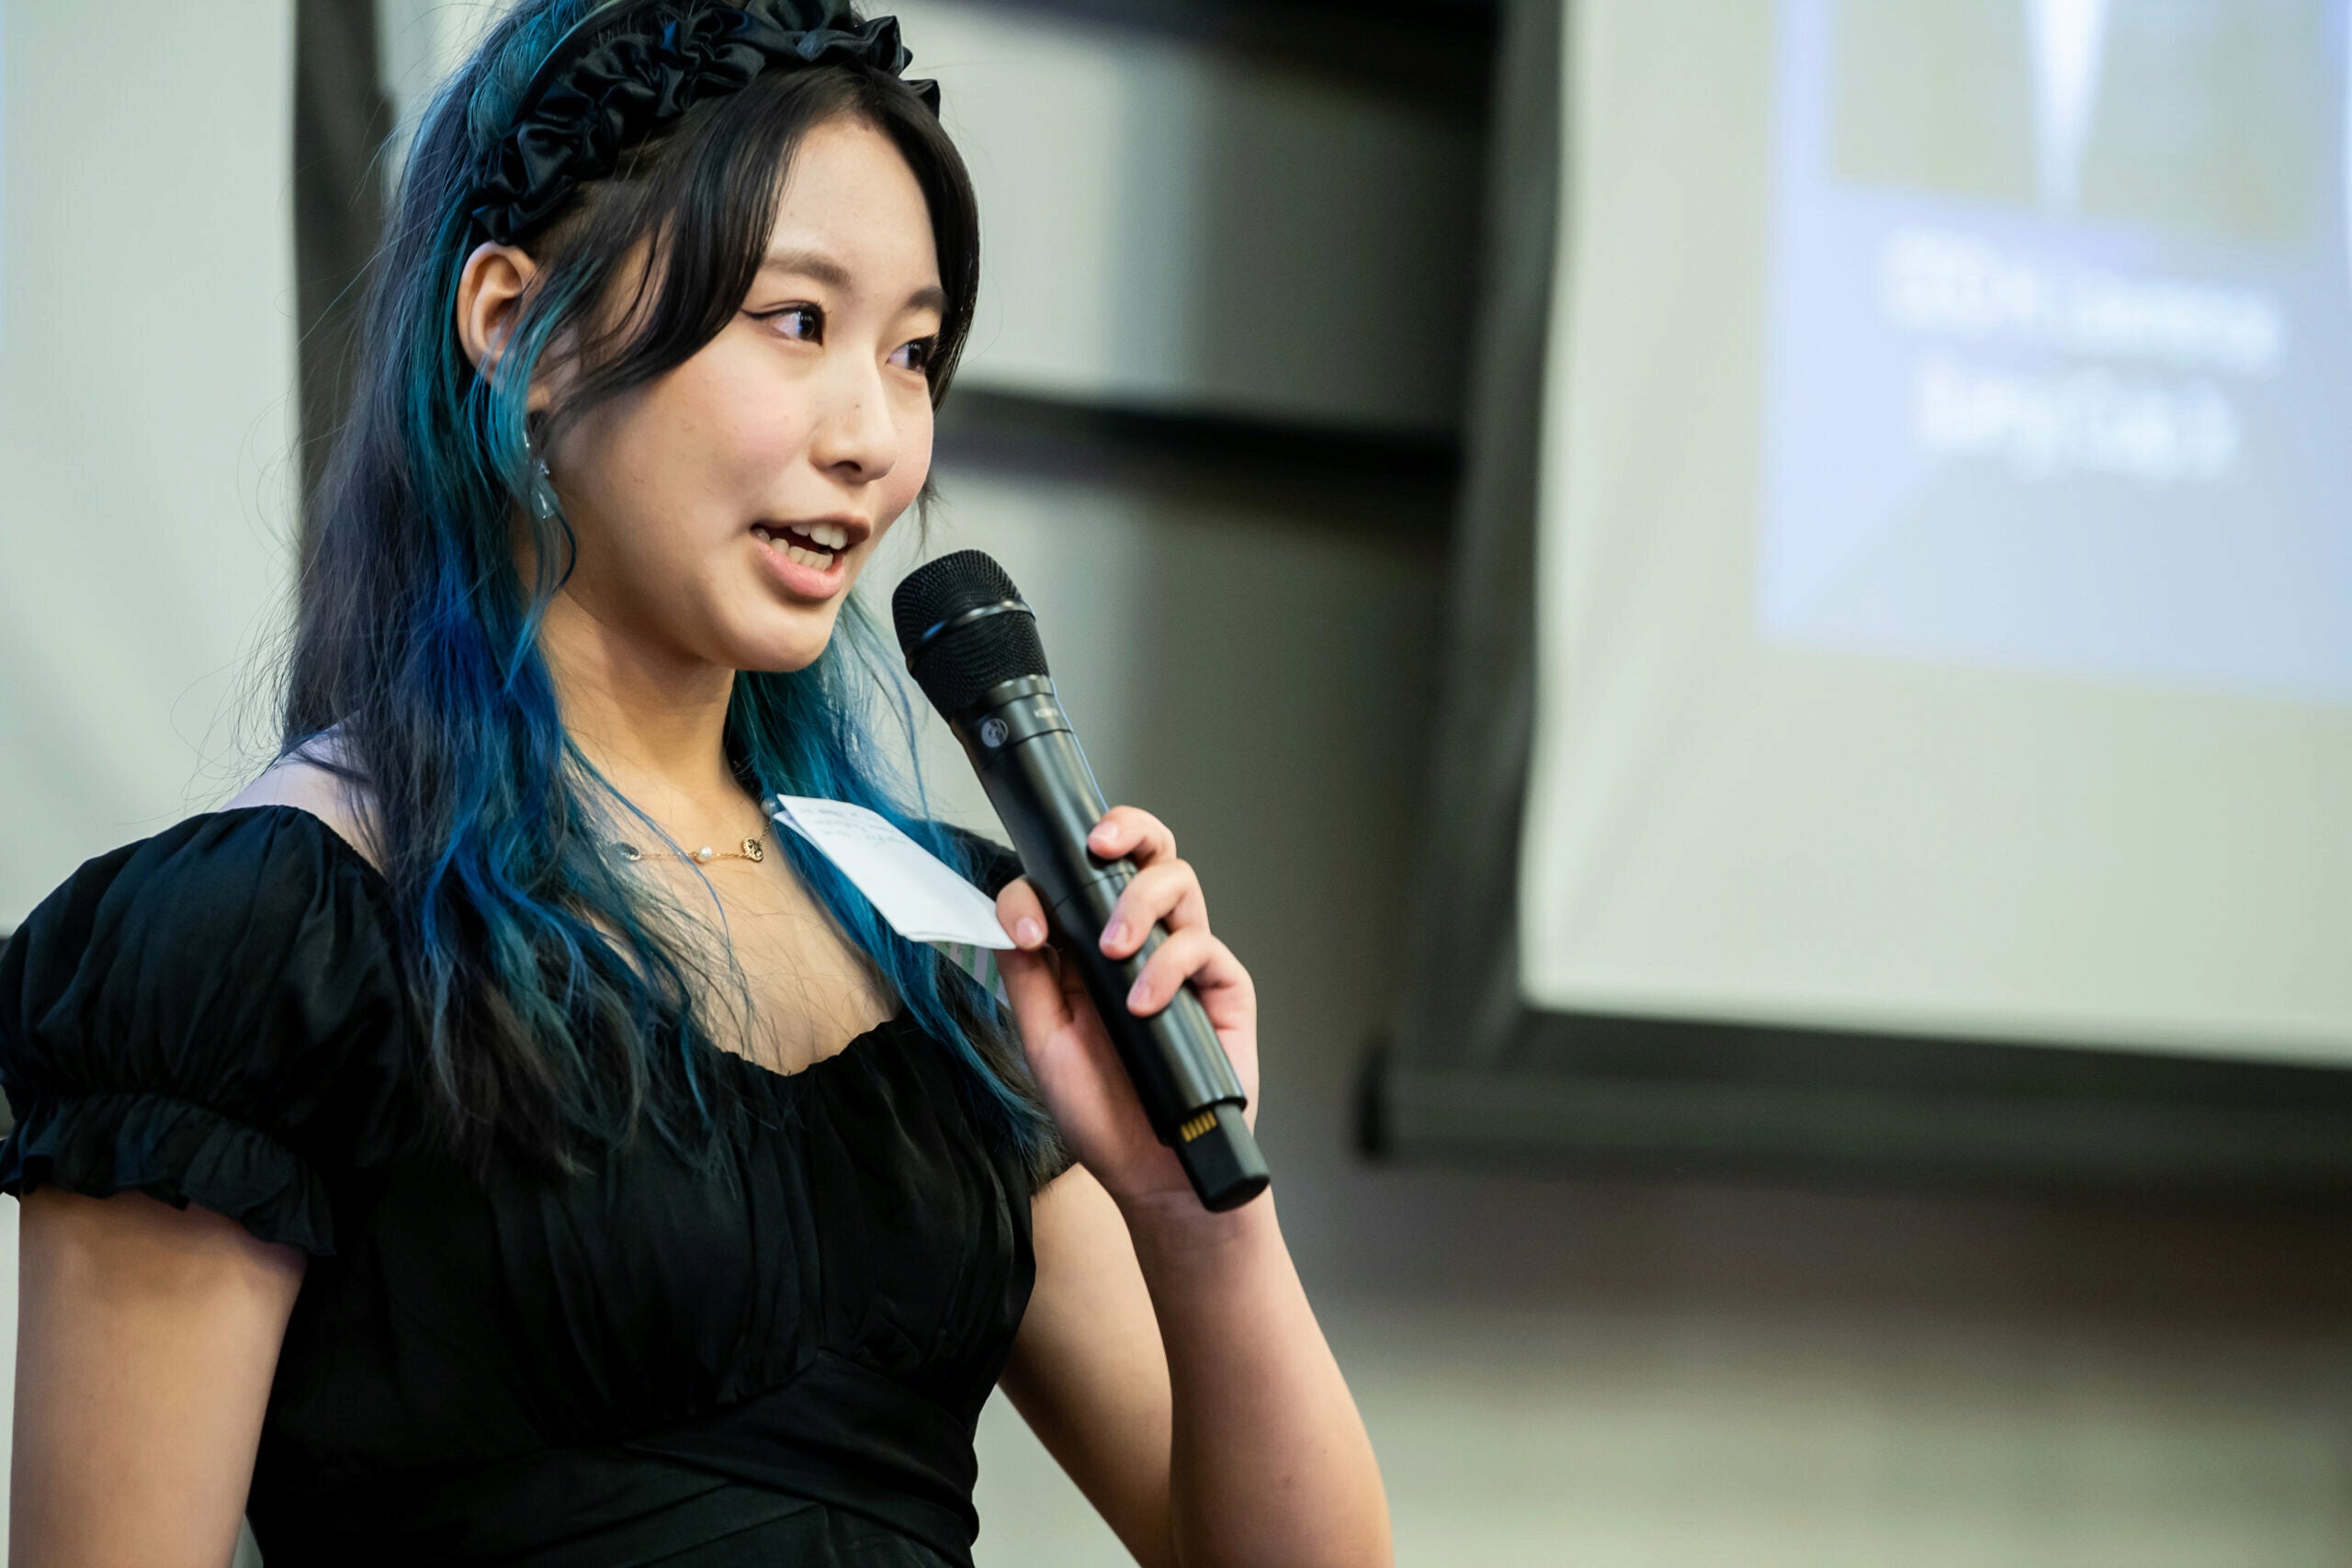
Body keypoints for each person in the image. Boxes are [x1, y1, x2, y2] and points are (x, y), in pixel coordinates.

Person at [0, 2, 1391, 1563]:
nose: (875, 435)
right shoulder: (265, 934)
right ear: (514, 326)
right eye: (797, 321)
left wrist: (1197, 1213)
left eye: (916, 353)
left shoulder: (947, 942)